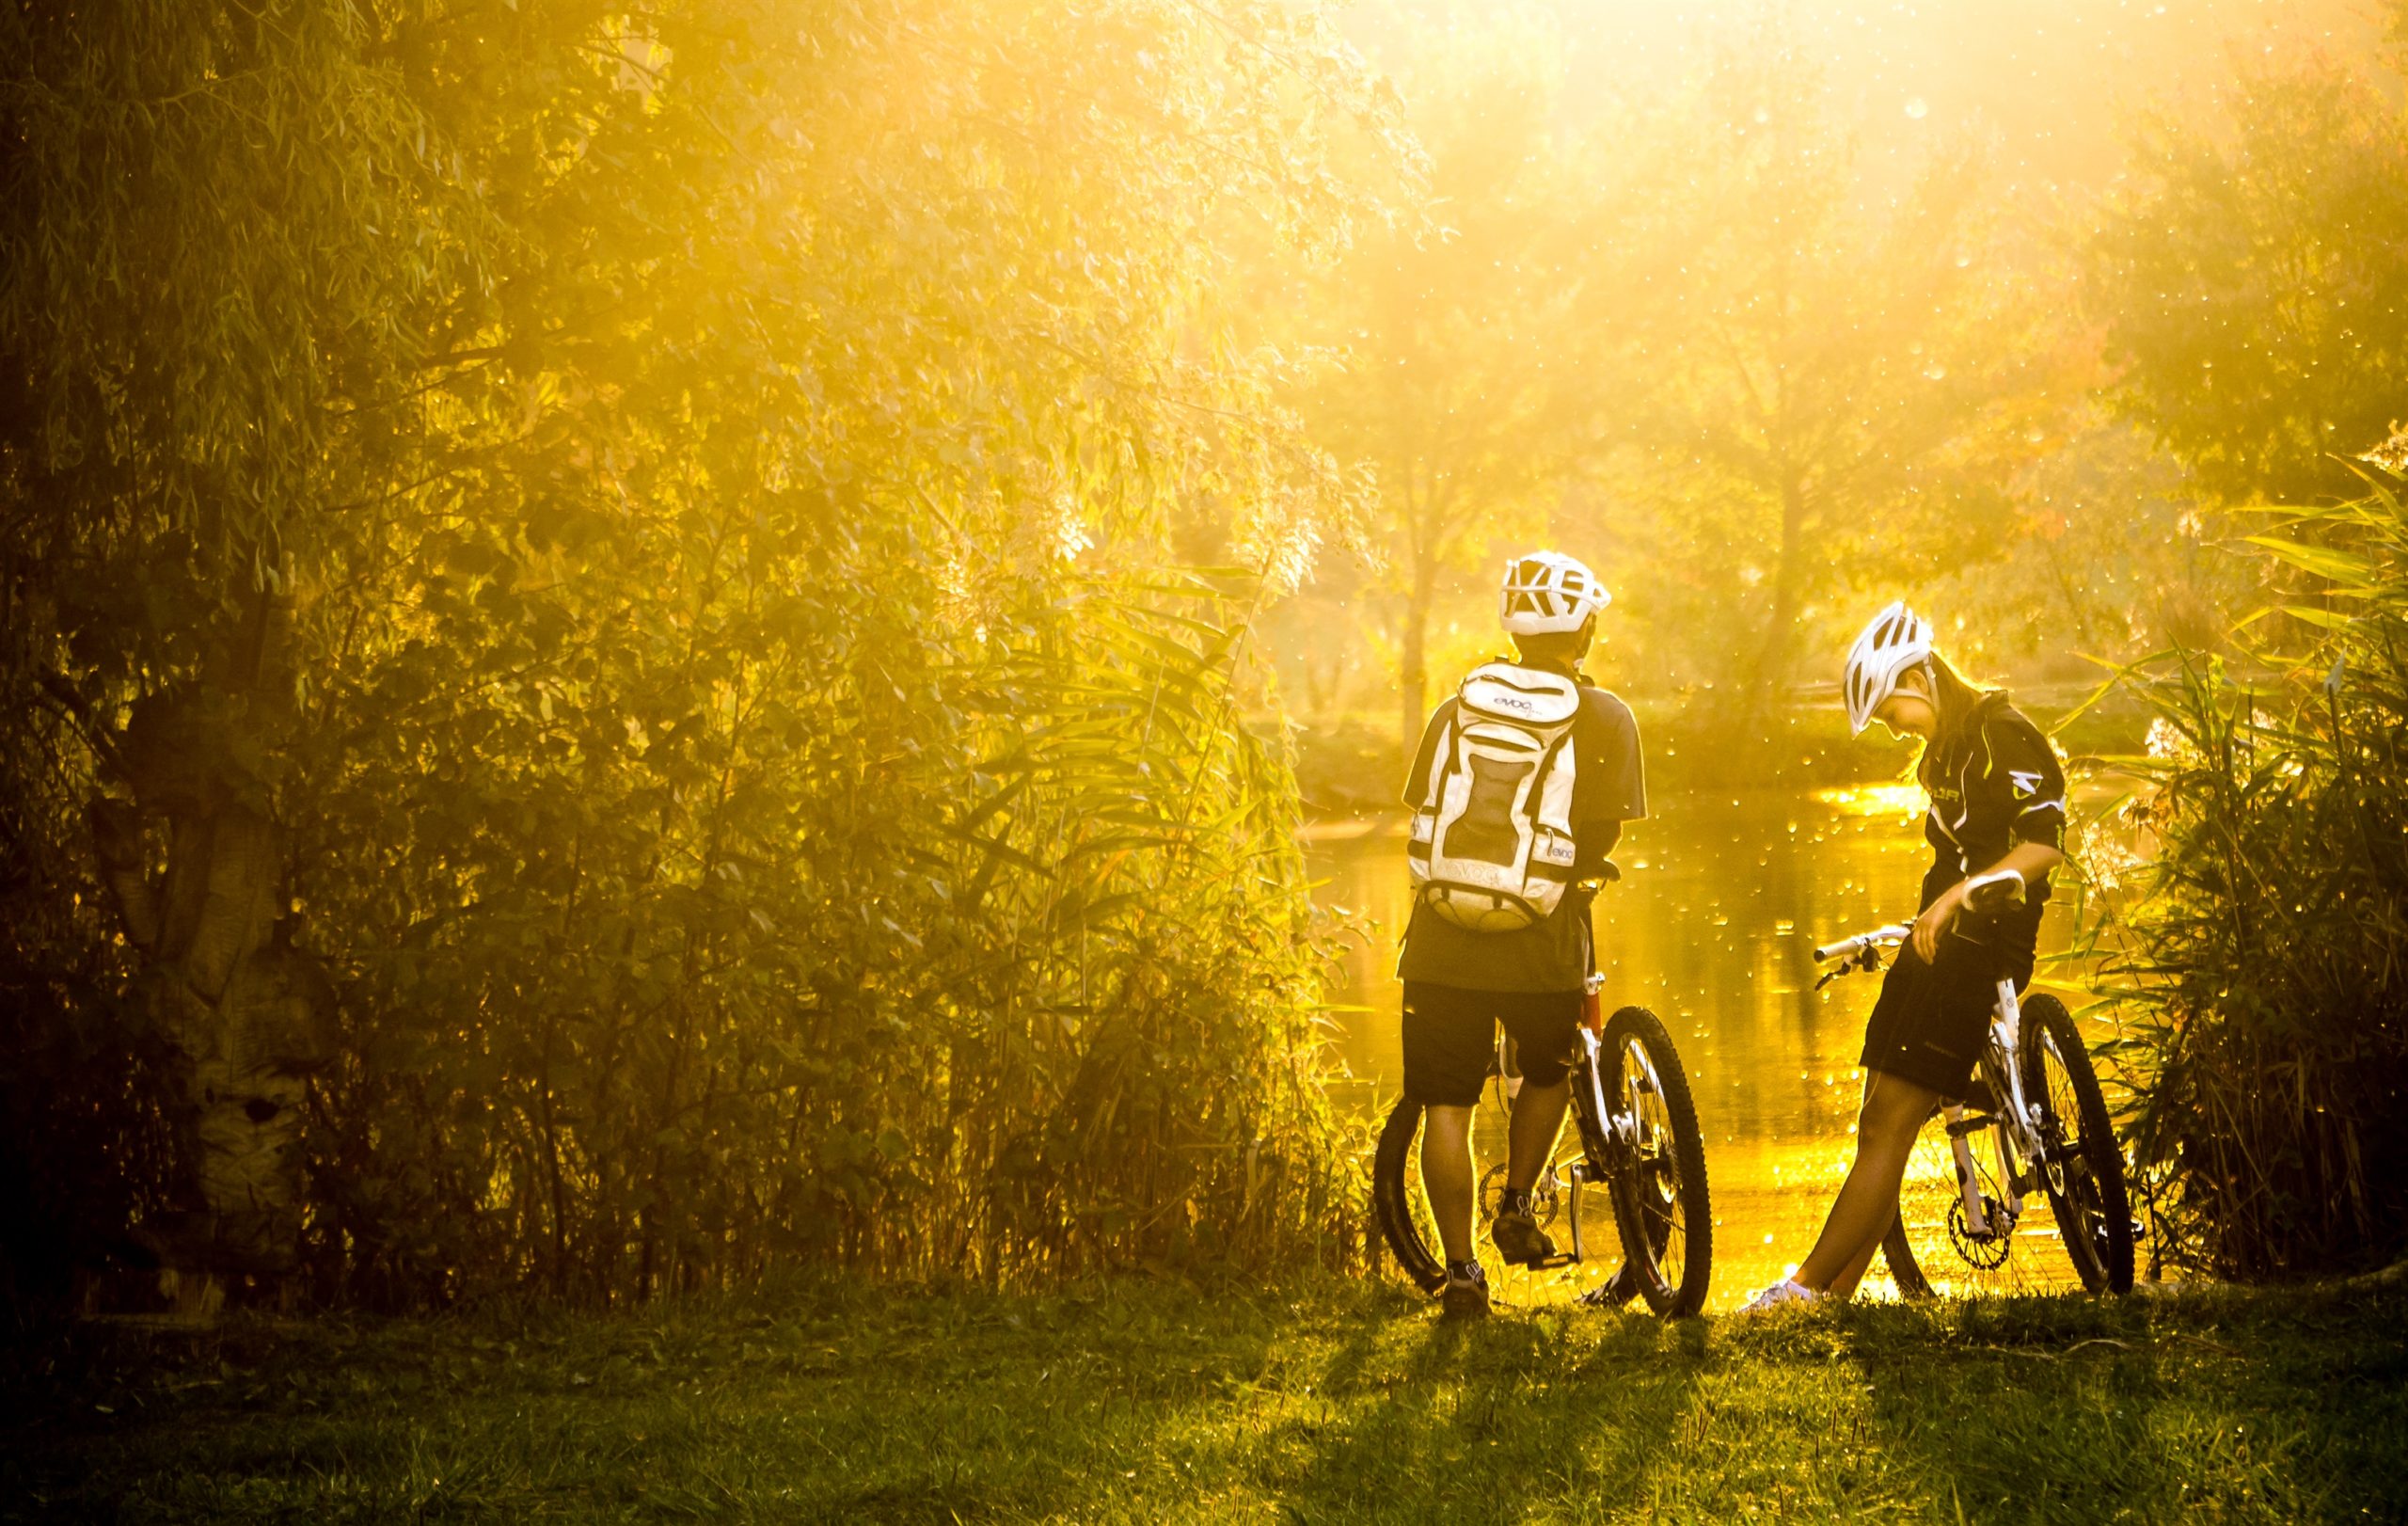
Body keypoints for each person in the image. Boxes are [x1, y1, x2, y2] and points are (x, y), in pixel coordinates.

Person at [1743, 601, 2067, 1312]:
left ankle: (1800, 1290)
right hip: (1938, 942)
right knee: (1875, 1117)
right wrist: (1925, 913)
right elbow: (1950, 858)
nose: (1891, 726)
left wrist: (1954, 902)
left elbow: (2042, 846)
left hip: (1982, 940)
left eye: (1891, 709)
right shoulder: (1945, 752)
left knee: (1890, 1119)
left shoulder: (2002, 735)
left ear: (1919, 676)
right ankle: (1837, 1293)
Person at [1399, 551, 1647, 1317]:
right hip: (1542, 942)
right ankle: (1515, 1201)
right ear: (1588, 629)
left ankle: (1463, 1273)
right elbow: (1602, 832)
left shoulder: (1457, 707)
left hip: (1442, 937)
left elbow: (1424, 810)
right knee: (1552, 1067)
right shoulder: (1604, 716)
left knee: (1446, 1106)